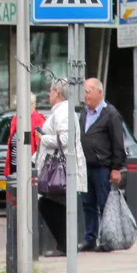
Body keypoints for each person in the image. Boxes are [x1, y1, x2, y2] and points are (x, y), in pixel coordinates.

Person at [36, 79, 86, 257]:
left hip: (62, 169)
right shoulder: (62, 111)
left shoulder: (63, 111)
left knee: (49, 204)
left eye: (50, 91)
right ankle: (65, 245)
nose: (49, 95)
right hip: (62, 168)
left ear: (57, 92)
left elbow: (65, 139)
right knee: (53, 205)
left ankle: (66, 245)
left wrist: (42, 137)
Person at [79, 78, 126, 251]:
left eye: (88, 91)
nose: (85, 95)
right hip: (86, 167)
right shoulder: (84, 113)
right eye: (84, 91)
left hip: (102, 167)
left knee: (104, 205)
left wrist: (116, 168)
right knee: (87, 204)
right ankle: (90, 238)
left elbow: (118, 143)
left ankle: (107, 240)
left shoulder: (111, 114)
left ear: (99, 92)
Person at [4, 100, 47, 179]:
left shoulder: (39, 119)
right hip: (14, 165)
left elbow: (41, 144)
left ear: (33, 105)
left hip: (29, 166)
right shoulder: (16, 119)